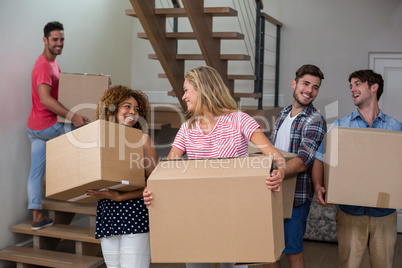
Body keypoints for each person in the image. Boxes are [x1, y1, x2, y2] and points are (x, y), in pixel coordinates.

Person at [143, 65, 286, 268]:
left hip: (233, 212)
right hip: (196, 212)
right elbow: (167, 170)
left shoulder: (240, 120)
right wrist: (153, 189)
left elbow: (275, 156)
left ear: (202, 89)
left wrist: (279, 172)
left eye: (186, 90)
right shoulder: (187, 129)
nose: (183, 97)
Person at [313, 69, 401, 268]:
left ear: (374, 88)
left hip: (384, 214)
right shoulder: (339, 126)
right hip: (350, 213)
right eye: (350, 85)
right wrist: (318, 186)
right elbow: (319, 158)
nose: (352, 89)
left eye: (358, 83)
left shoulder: (396, 128)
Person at [85, 85, 158, 268]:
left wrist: (121, 196)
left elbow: (156, 185)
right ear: (112, 108)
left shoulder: (143, 140)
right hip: (107, 213)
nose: (133, 112)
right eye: (127, 106)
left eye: (136, 109)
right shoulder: (100, 140)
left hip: (134, 213)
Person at [27, 21, 88, 231]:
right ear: (45, 40)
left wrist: (92, 84)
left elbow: (62, 91)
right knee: (89, 132)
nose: (59, 43)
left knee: (36, 174)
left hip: (35, 128)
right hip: (48, 125)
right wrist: (73, 116)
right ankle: (88, 188)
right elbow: (46, 99)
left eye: (62, 39)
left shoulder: (52, 63)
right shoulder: (44, 65)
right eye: (55, 39)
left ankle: (37, 218)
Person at [265, 64, 327, 268]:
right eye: (306, 83)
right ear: (294, 83)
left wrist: (280, 172)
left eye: (315, 87)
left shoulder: (315, 119)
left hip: (296, 198)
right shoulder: (283, 114)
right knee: (268, 252)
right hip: (273, 191)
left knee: (292, 253)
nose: (310, 90)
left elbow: (304, 161)